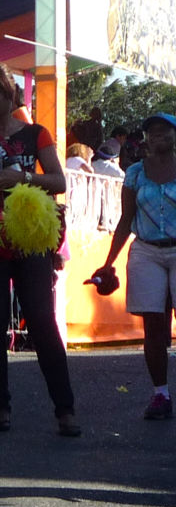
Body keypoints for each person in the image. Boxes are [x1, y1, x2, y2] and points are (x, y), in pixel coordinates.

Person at [0, 64, 79, 437]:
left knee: (41, 319)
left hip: (28, 235)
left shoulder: (35, 133)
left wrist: (22, 177)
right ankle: (0, 407)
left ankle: (65, 408)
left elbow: (57, 180)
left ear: (10, 95)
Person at [92, 112, 176, 420]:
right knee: (153, 326)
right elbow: (125, 220)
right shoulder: (136, 173)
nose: (158, 135)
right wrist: (108, 263)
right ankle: (161, 394)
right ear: (146, 138)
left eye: (165, 130)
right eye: (152, 131)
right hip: (146, 251)